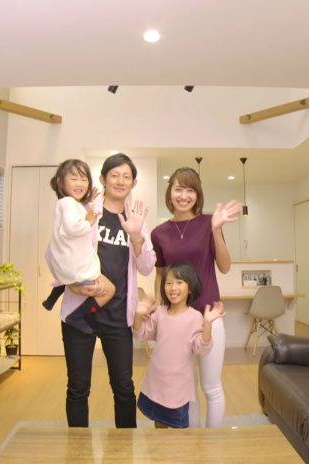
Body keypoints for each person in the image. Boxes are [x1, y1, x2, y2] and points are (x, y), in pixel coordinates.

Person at [47, 153, 155, 428]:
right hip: (79, 313)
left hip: (118, 316)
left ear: (133, 183)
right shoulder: (84, 210)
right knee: (78, 387)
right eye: (114, 175)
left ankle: (125, 447)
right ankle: (78, 448)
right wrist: (69, 281)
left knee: (124, 387)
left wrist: (137, 237)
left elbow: (146, 267)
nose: (120, 181)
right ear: (103, 179)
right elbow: (54, 251)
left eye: (126, 177)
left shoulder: (136, 220)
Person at [150, 166, 241, 428]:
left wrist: (216, 230)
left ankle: (212, 444)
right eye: (178, 189)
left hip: (208, 317)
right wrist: (159, 309)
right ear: (170, 192)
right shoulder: (159, 233)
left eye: (190, 190)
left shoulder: (209, 223)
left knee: (211, 387)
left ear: (197, 194)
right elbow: (160, 275)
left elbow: (225, 267)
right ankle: (191, 442)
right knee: (185, 389)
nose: (183, 196)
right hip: (177, 320)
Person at [132, 262, 225, 428]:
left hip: (178, 390)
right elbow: (141, 333)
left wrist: (207, 324)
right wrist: (137, 315)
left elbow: (202, 348)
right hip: (156, 383)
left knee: (178, 433)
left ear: (190, 288)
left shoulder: (195, 317)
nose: (173, 287)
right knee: (159, 425)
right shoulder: (160, 313)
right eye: (168, 282)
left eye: (179, 282)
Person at [43, 159, 114, 332]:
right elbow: (74, 227)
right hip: (75, 267)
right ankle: (77, 316)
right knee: (109, 290)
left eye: (84, 179)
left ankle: (53, 296)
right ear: (60, 182)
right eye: (74, 179)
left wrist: (88, 203)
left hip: (66, 264)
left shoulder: (69, 204)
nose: (80, 184)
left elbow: (76, 216)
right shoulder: (68, 203)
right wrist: (89, 222)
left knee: (69, 277)